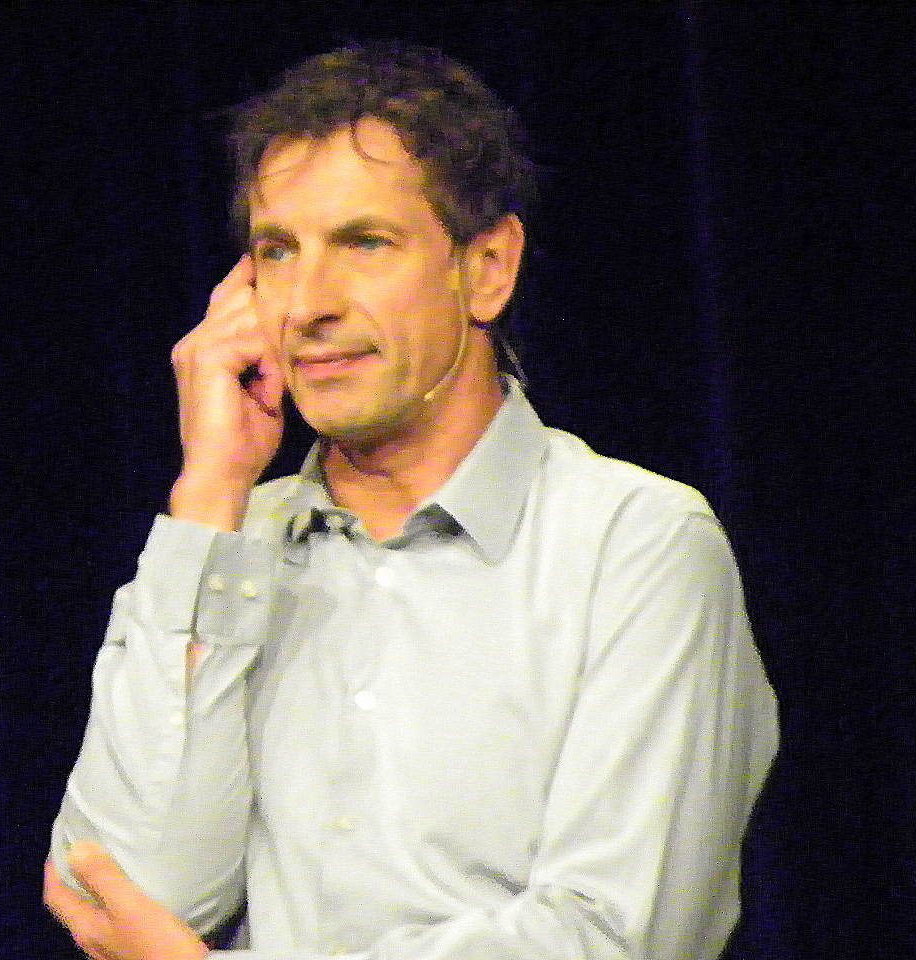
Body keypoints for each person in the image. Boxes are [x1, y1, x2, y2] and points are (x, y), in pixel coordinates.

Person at [43, 43, 778, 960]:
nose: (308, 304)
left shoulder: (635, 543)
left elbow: (610, 934)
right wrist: (210, 493)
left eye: (364, 243)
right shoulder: (225, 544)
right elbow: (125, 901)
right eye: (278, 252)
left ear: (488, 267)